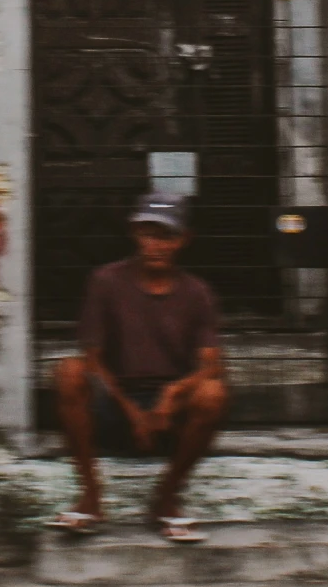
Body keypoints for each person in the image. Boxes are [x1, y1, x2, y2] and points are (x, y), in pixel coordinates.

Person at [51, 194, 228, 542]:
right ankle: (90, 498)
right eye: (148, 234)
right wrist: (131, 410)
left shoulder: (197, 292)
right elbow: (93, 360)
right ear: (134, 234)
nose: (156, 245)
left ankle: (167, 497)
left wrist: (173, 394)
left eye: (166, 236)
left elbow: (212, 364)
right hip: (115, 403)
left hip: (169, 412)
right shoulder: (106, 281)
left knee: (213, 392)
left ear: (182, 240)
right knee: (68, 370)